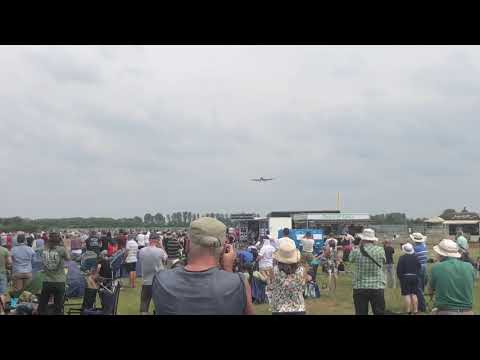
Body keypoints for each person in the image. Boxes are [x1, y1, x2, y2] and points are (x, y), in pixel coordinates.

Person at [152, 217, 255, 315]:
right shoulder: (239, 282)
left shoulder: (161, 280)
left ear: (186, 244)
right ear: (224, 249)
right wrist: (228, 269)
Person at [428, 239, 476, 315]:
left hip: (445, 311)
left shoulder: (436, 268)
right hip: (468, 311)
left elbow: (430, 290)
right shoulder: (469, 267)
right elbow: (471, 285)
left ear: (441, 254)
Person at [349, 228, 386, 315]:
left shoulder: (356, 251)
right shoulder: (380, 250)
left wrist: (358, 246)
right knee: (379, 312)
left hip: (360, 285)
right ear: (373, 239)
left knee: (361, 312)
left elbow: (350, 260)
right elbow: (383, 261)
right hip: (377, 285)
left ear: (362, 239)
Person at [267, 240, 309, 314]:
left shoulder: (273, 271)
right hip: (298, 308)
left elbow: (271, 287)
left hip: (279, 309)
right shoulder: (302, 270)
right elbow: (303, 288)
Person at [38, 232, 70, 315]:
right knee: (58, 307)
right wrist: (65, 245)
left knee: (42, 305)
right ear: (58, 239)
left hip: (47, 281)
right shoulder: (61, 249)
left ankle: (13, 306)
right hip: (59, 281)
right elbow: (68, 258)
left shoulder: (43, 249)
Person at [138, 233, 167, 314]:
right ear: (157, 240)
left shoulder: (142, 250)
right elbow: (166, 258)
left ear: (149, 240)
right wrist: (161, 245)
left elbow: (141, 260)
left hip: (146, 280)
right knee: (159, 302)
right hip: (157, 281)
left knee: (144, 301)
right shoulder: (160, 251)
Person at [396, 243, 420, 314]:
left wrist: (400, 278)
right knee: (414, 294)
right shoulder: (416, 257)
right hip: (415, 277)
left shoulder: (402, 258)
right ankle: (415, 311)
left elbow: (399, 270)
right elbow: (419, 267)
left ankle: (408, 311)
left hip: (405, 277)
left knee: (407, 295)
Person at [411, 232, 428, 312]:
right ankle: (421, 304)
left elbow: (413, 259)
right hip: (425, 267)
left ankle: (422, 306)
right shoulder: (424, 247)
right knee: (422, 287)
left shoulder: (414, 249)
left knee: (418, 288)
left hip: (418, 268)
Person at [0, 245, 11, 314]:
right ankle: (1, 311)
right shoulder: (4, 250)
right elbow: (9, 262)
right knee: (2, 294)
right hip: (2, 273)